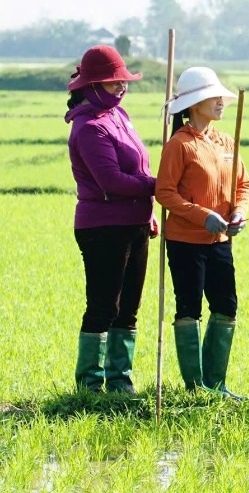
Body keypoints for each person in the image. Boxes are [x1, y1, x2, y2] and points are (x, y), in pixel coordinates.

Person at [65, 45, 157, 393]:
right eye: (112, 82)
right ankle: (90, 383)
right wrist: (159, 187)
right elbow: (112, 181)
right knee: (105, 304)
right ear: (91, 86)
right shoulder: (88, 127)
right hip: (103, 227)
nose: (121, 87)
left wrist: (146, 212)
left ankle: (120, 381)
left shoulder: (119, 115)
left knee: (129, 307)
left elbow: (139, 166)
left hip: (134, 223)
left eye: (123, 81)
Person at [155, 66, 249, 399]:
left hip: (220, 241)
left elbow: (243, 184)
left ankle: (216, 383)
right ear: (195, 104)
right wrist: (201, 215)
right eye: (215, 98)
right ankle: (195, 387)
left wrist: (239, 212)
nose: (222, 103)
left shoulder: (226, 142)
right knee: (189, 307)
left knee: (226, 305)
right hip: (185, 242)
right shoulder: (179, 145)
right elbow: (164, 192)